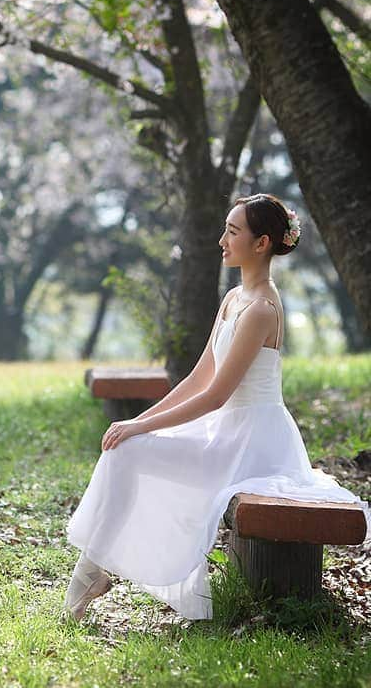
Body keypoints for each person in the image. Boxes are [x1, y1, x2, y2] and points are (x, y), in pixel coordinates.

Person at [65, 193, 369, 620]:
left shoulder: (262, 310)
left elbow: (215, 396)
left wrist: (138, 428)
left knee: (130, 447)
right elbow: (197, 378)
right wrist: (139, 419)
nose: (222, 241)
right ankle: (91, 572)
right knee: (125, 448)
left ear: (261, 243)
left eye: (232, 231)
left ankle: (88, 577)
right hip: (223, 432)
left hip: (251, 443)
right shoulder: (233, 299)